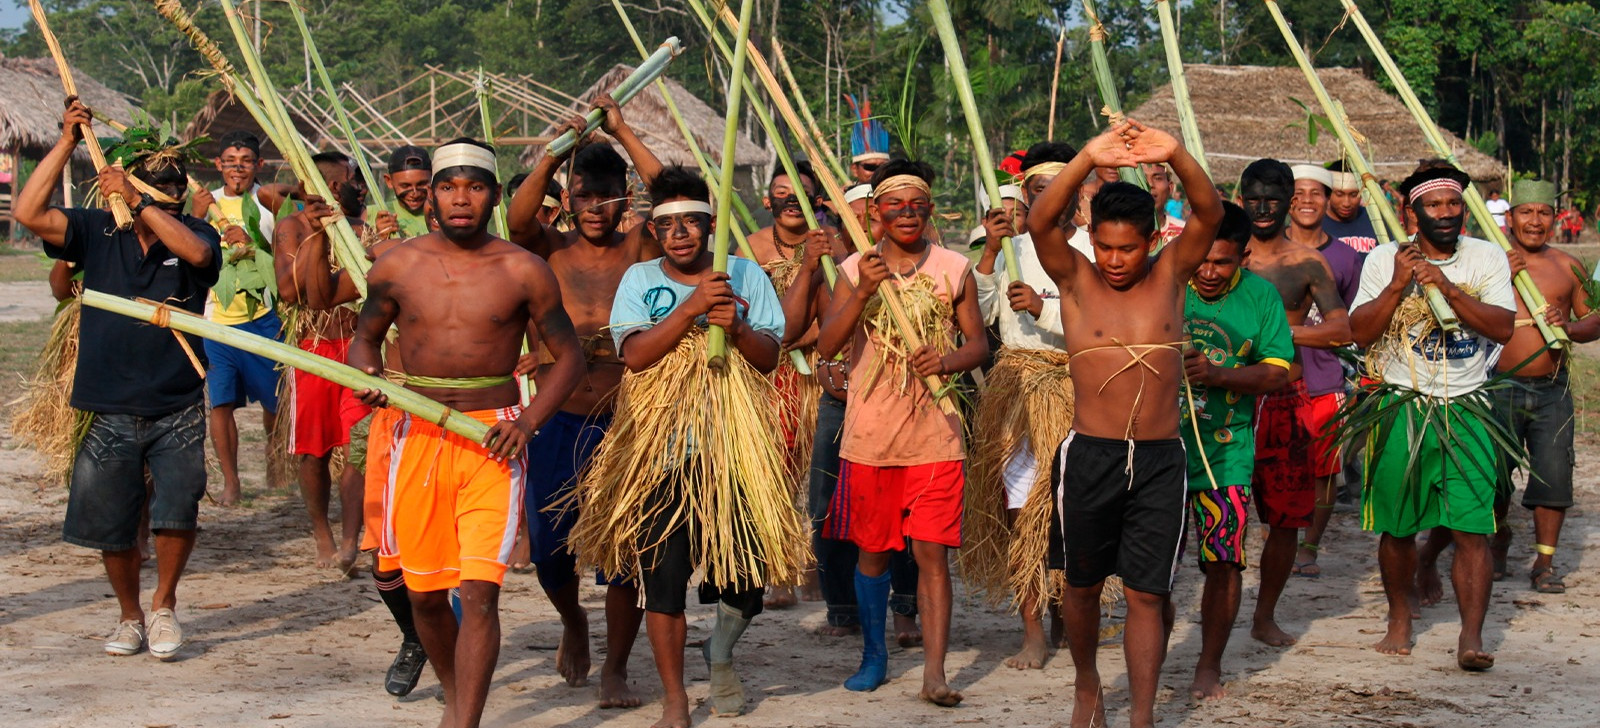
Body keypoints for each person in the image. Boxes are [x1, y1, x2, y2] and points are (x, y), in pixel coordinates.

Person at [350, 138, 584, 728]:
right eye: (450, 186)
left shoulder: (523, 269)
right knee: (426, 596)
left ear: (495, 196)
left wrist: (528, 422)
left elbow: (569, 357)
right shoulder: (396, 266)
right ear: (430, 194)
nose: (462, 199)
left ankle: (464, 722)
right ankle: (457, 695)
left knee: (479, 592)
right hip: (418, 433)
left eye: (475, 187)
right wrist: (367, 376)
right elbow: (364, 339)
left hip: (492, 439)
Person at [575, 165, 799, 728]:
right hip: (661, 452)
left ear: (711, 225)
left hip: (733, 449)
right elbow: (636, 355)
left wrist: (738, 327)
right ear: (654, 229)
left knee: (748, 575)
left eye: (693, 222)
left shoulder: (746, 277)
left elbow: (770, 357)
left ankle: (719, 648)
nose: (681, 233)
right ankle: (676, 701)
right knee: (664, 582)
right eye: (668, 224)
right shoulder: (638, 281)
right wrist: (692, 308)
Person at [1027, 119, 1223, 728]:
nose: (1115, 260)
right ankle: (1088, 685)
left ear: (1151, 242)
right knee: (1082, 587)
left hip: (1162, 459)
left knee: (1148, 593)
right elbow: (1038, 223)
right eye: (1106, 246)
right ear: (1091, 237)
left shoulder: (1170, 277)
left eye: (1128, 248)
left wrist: (1176, 154)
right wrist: (1087, 155)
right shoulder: (1076, 280)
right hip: (1091, 456)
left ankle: (1142, 716)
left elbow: (1211, 214)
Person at [15, 98, 221, 660]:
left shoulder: (197, 233)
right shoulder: (96, 231)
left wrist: (143, 204)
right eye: (156, 189)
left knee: (177, 510)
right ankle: (130, 616)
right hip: (106, 402)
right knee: (112, 523)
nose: (168, 198)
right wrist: (66, 143)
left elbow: (196, 251)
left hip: (177, 399)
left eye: (170, 192)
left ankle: (164, 606)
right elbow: (29, 213)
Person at [816, 159, 987, 707]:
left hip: (936, 437)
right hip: (870, 439)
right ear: (876, 215)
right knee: (872, 554)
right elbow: (825, 346)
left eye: (916, 204)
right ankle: (874, 655)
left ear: (930, 209)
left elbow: (979, 346)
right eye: (895, 205)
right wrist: (864, 291)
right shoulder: (854, 270)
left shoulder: (954, 268)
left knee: (932, 554)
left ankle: (934, 672)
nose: (906, 213)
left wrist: (948, 361)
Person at [506, 98, 661, 704]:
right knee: (549, 549)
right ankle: (574, 621)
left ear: (625, 198)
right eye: (584, 196)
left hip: (627, 418)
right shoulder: (547, 247)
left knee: (627, 549)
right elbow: (516, 219)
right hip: (559, 416)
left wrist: (621, 130)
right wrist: (552, 157)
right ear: (567, 199)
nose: (596, 207)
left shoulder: (640, 248)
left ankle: (617, 665)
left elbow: (673, 196)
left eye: (607, 195)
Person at [1348, 160, 1515, 671]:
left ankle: (1471, 635)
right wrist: (1399, 284)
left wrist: (1448, 289)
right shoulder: (1383, 260)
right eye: (1434, 205)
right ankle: (1400, 618)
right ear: (1411, 212)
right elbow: (1359, 332)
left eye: (1453, 204)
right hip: (1403, 407)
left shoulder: (1485, 257)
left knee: (1472, 531)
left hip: (1467, 410)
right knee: (1397, 529)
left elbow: (1504, 328)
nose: (1446, 214)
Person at [1417, 179, 1598, 598]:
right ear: (1510, 217)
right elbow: (1453, 307)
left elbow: (1595, 319)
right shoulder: (1484, 259)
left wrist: (1567, 326)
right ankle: (1495, 543)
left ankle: (1545, 563)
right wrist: (1499, 275)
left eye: (1544, 214)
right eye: (1526, 213)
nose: (1535, 222)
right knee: (1491, 473)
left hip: (1552, 387)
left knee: (1554, 474)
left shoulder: (1569, 266)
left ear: (1555, 219)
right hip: (1494, 384)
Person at [963, 141, 1089, 671]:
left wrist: (1047, 309)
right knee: (1022, 513)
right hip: (1018, 389)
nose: (1049, 199)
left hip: (1081, 387)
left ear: (1075, 195)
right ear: (1026, 193)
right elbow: (979, 311)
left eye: (1058, 190)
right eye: (1038, 190)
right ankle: (1032, 627)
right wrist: (990, 252)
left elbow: (1103, 316)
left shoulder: (1097, 246)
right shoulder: (1011, 246)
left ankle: (1069, 613)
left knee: (1074, 511)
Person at [1177, 201, 1294, 699]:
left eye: (1221, 262)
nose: (1207, 271)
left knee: (1223, 560)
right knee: (1156, 563)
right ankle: (1152, 650)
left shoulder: (1261, 298)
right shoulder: (1164, 278)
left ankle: (1209, 664)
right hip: (1158, 450)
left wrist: (1219, 375)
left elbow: (1279, 371)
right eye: (1201, 258)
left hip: (1225, 454)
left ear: (1244, 257)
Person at [1236, 159, 1351, 647]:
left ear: (1289, 202)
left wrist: (1282, 333)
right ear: (1241, 200)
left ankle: (1264, 615)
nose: (1263, 209)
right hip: (1223, 397)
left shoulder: (1306, 262)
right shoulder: (1223, 255)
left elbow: (1341, 329)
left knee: (1283, 518)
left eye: (1273, 200)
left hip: (1285, 398)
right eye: (1254, 200)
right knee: (1218, 508)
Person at [745, 161, 848, 609]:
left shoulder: (837, 248)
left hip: (823, 371)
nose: (790, 201)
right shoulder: (751, 249)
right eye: (781, 193)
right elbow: (754, 316)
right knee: (778, 470)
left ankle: (814, 565)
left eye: (801, 193)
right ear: (767, 201)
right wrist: (790, 339)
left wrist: (811, 339)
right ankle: (779, 570)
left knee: (821, 471)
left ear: (817, 202)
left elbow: (841, 311)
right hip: (772, 375)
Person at [273, 151, 372, 573]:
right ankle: (322, 533)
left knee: (357, 448)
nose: (359, 187)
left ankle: (351, 539)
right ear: (336, 186)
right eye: (352, 179)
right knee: (313, 451)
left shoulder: (364, 231)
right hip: (312, 348)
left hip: (358, 346)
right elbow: (290, 291)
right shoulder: (291, 229)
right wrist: (318, 237)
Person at [187, 130, 285, 507]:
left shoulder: (267, 205)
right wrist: (197, 218)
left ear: (258, 166)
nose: (237, 169)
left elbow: (283, 252)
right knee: (221, 404)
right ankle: (231, 482)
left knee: (274, 403)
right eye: (230, 162)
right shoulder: (204, 204)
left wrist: (253, 244)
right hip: (216, 319)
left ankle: (276, 467)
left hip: (263, 317)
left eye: (245, 162)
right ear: (218, 166)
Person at [1283, 165, 1363, 579]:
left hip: (1326, 379)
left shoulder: (1346, 257)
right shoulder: (1264, 251)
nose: (1308, 200)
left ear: (1329, 199)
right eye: (1299, 192)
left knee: (1324, 468)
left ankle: (1309, 546)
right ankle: (1275, 539)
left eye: (1318, 193)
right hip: (1273, 380)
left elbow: (1352, 321)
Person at [1322, 160, 1379, 253]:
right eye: (1339, 194)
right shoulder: (1316, 224)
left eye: (1353, 195)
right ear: (1328, 193)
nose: (1346, 203)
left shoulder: (1376, 221)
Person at [375, 145, 432, 238]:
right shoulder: (371, 216)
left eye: (421, 184)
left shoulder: (443, 215)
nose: (415, 193)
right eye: (405, 186)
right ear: (389, 181)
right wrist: (378, 238)